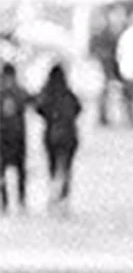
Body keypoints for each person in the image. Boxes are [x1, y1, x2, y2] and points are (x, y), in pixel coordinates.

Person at [34, 63, 83, 212]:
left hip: (52, 135)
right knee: (66, 167)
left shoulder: (47, 93)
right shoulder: (69, 94)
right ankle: (64, 196)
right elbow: (78, 109)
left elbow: (38, 108)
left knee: (53, 165)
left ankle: (54, 193)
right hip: (69, 135)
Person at [0, 61, 30, 213]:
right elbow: (34, 102)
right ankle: (19, 201)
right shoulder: (20, 92)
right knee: (19, 171)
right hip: (16, 137)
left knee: (5, 170)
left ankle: (6, 202)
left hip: (5, 138)